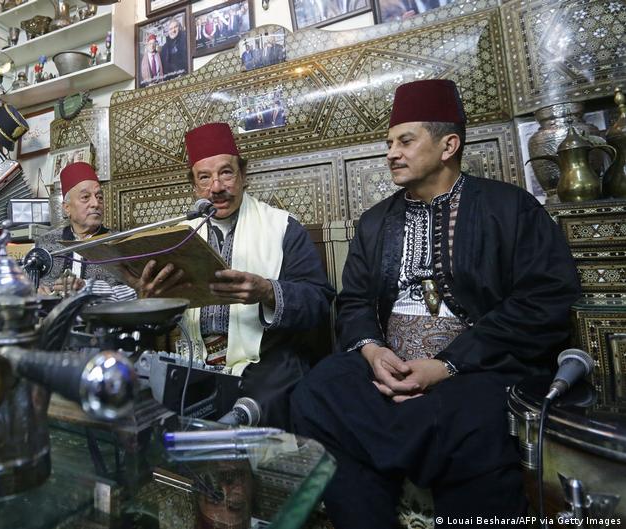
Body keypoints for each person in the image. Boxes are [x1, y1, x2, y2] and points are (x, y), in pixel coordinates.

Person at [290, 79, 581, 527]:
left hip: (478, 366)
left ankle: (401, 443)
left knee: (465, 416)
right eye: (389, 143)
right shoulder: (374, 222)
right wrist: (372, 351)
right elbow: (354, 303)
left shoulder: (510, 208)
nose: (391, 153)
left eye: (405, 141)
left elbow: (544, 301)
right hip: (388, 364)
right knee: (317, 391)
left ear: (449, 145)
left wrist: (447, 366)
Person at [137, 123, 335, 429]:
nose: (216, 187)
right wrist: (151, 302)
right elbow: (162, 321)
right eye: (204, 177)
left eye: (226, 173)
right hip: (193, 362)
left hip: (266, 363)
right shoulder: (177, 239)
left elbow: (319, 302)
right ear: (194, 187)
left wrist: (268, 291)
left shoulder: (282, 228)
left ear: (243, 176)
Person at [34, 162, 136, 302]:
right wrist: (37, 292)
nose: (95, 203)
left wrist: (86, 288)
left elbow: (136, 292)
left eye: (99, 197)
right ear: (67, 208)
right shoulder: (45, 243)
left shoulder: (120, 242)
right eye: (85, 197)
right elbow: (29, 284)